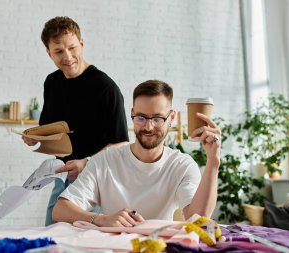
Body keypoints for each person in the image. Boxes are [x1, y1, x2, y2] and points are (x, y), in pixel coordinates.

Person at [53, 80, 222, 227]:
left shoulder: (182, 165)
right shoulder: (105, 160)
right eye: (141, 117)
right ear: (132, 114)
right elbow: (60, 210)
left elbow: (198, 218)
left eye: (157, 118)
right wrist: (101, 219)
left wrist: (213, 161)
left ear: (171, 118)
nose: (148, 127)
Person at [22, 16, 129, 225]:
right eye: (59, 51)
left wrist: (86, 163)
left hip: (95, 181)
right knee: (51, 239)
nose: (67, 56)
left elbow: (121, 143)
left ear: (81, 43)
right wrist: (35, 137)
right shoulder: (52, 82)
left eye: (72, 48)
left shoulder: (106, 88)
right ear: (48, 52)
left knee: (84, 243)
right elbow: (51, 129)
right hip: (61, 177)